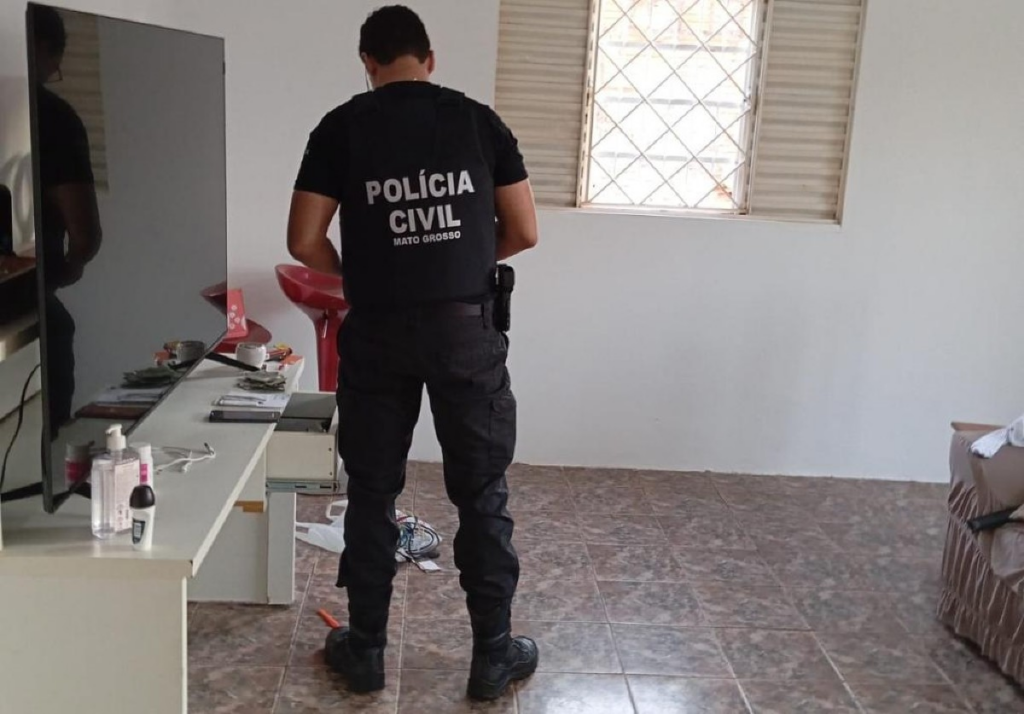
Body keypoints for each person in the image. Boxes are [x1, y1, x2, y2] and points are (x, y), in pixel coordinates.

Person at [287, 5, 540, 702]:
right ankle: (492, 656)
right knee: (481, 495)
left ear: (367, 63)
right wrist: (460, 261)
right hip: (465, 333)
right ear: (430, 59)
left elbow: (303, 240)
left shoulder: (340, 126)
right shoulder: (479, 122)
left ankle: (365, 650)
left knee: (373, 493)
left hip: (377, 331)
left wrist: (367, 274)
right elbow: (524, 231)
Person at [31, 5, 103, 429]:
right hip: (26, 308)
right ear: (42, 49)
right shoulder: (53, 118)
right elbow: (85, 233)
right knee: (45, 434)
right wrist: (72, 265)